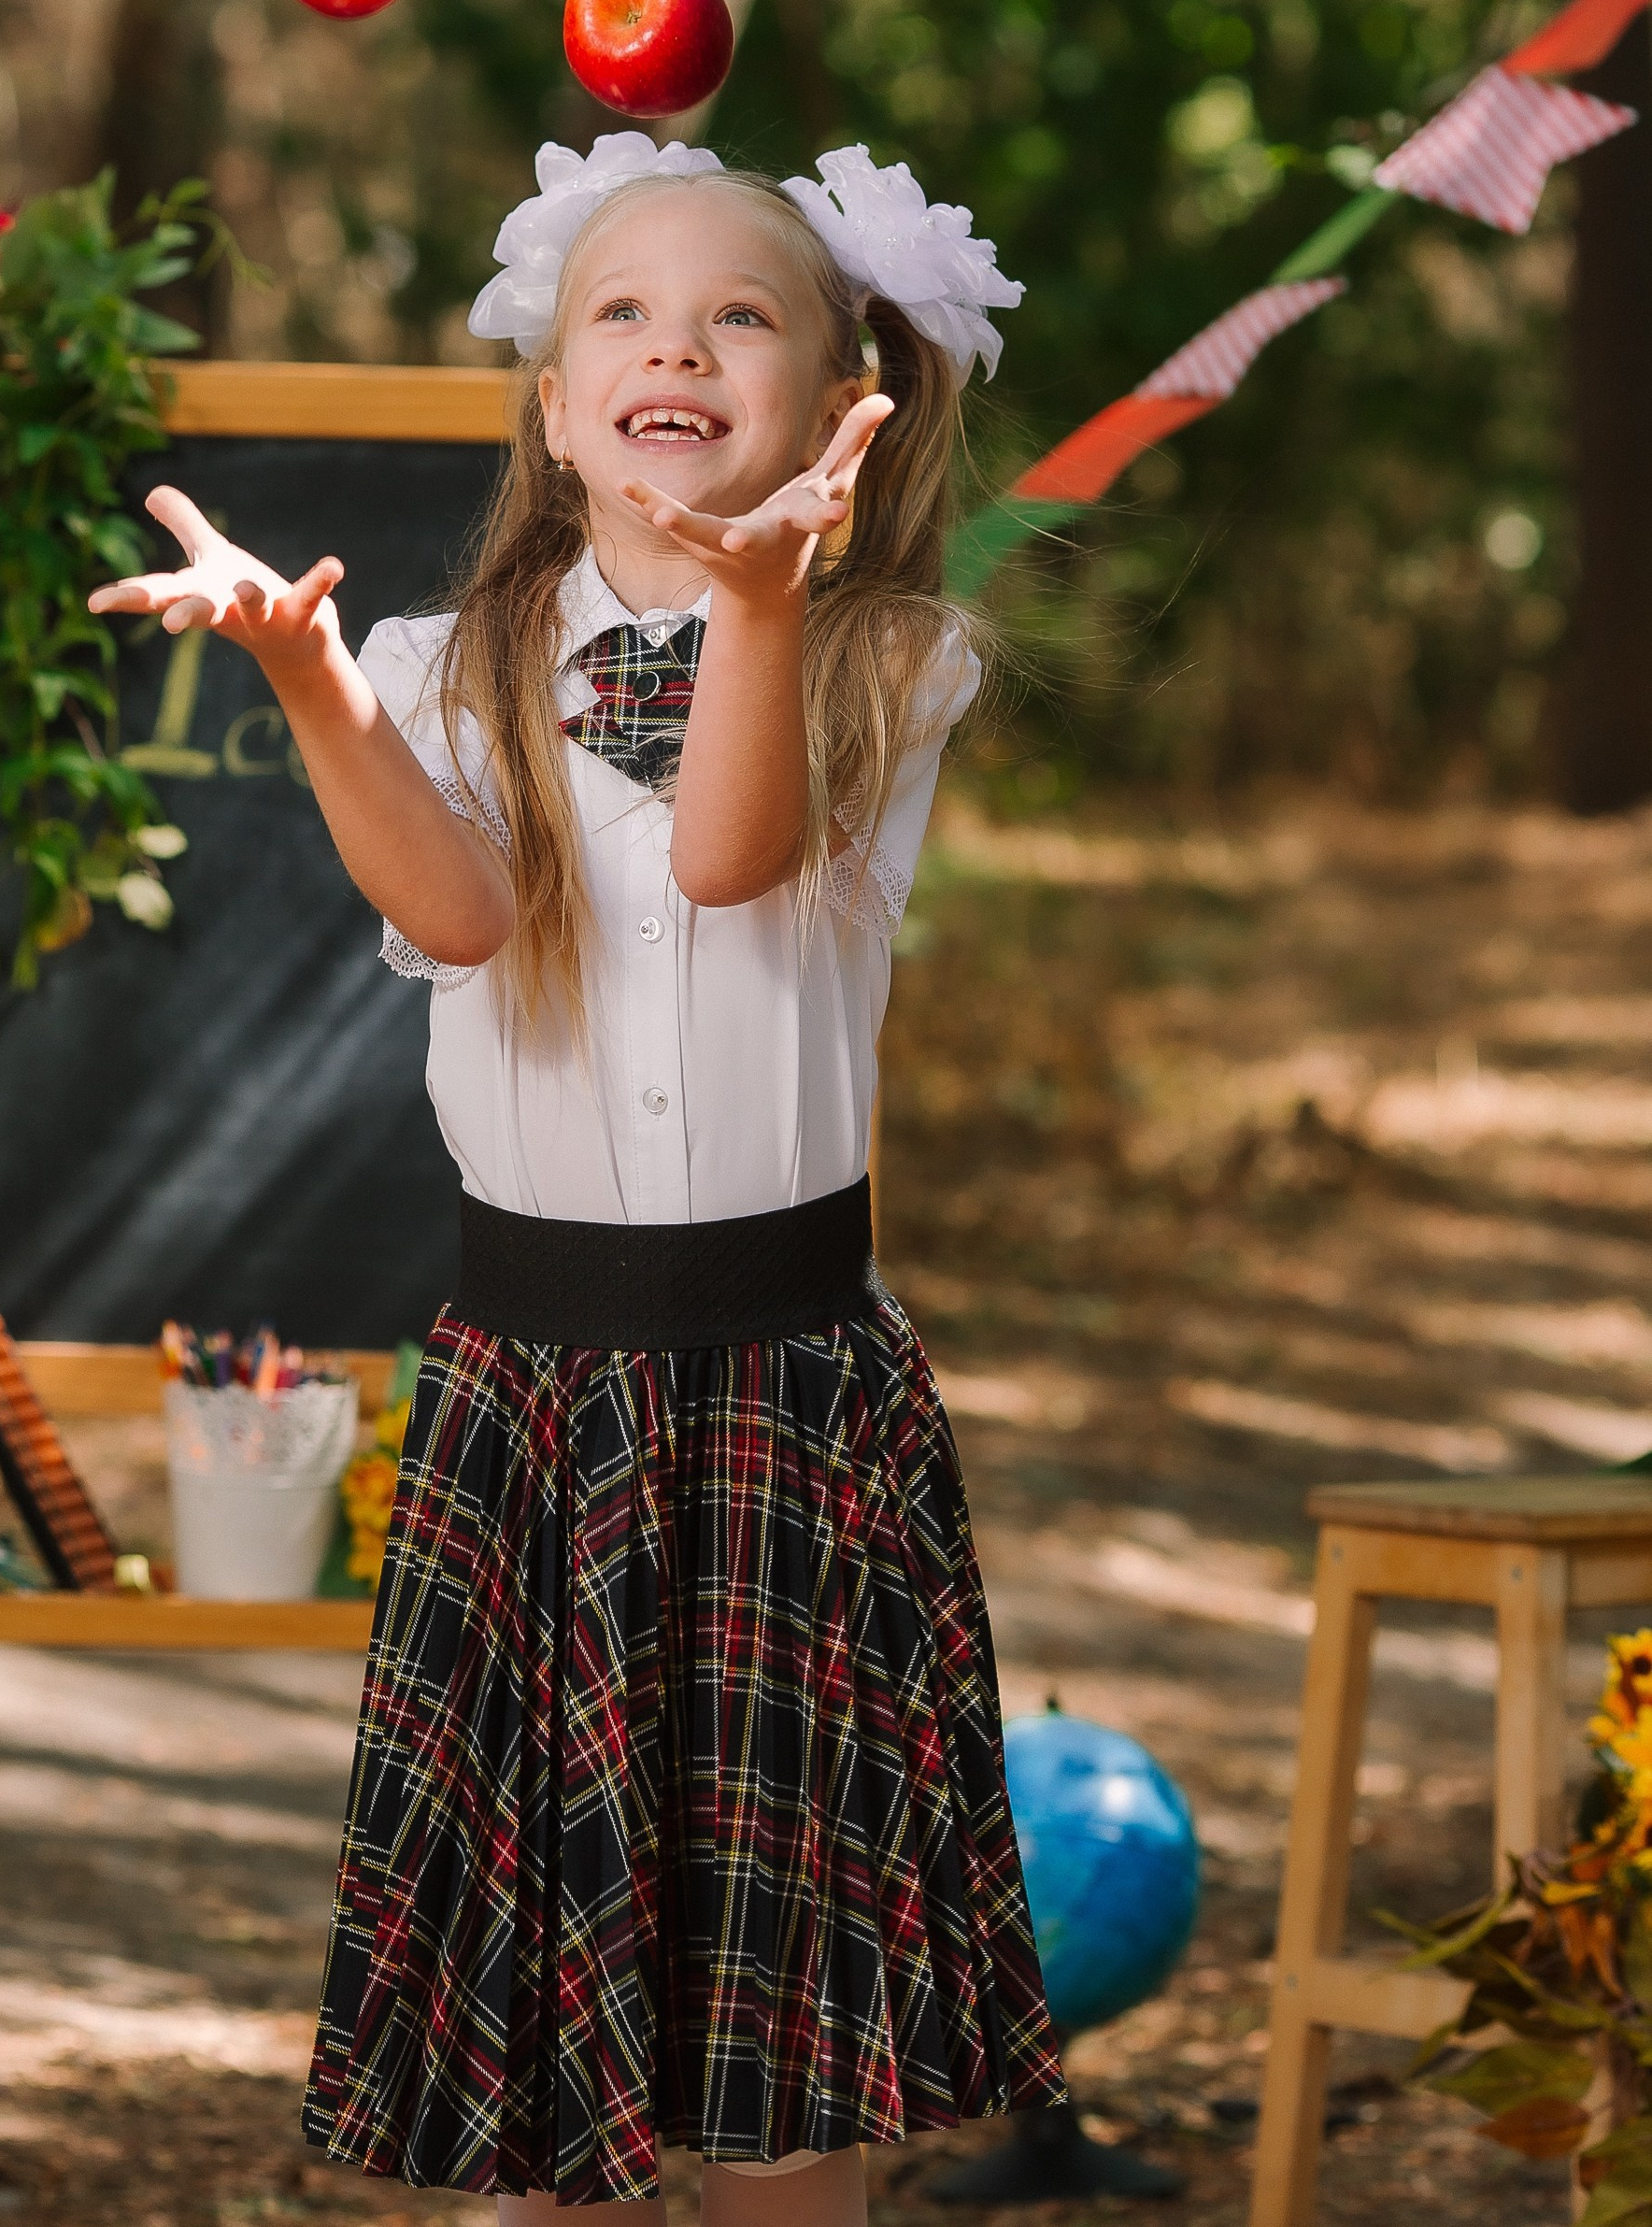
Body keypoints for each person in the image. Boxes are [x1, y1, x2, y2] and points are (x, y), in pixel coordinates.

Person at [87, 134, 1061, 2221]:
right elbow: (448, 909)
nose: (672, 345)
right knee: (535, 2058)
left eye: (736, 316)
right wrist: (305, 676)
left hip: (787, 1399)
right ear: (552, 404)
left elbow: (720, 853)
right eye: (621, 312)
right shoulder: (444, 664)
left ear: (829, 400)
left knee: (788, 2068)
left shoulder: (887, 660)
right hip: (535, 1408)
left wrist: (764, 596)